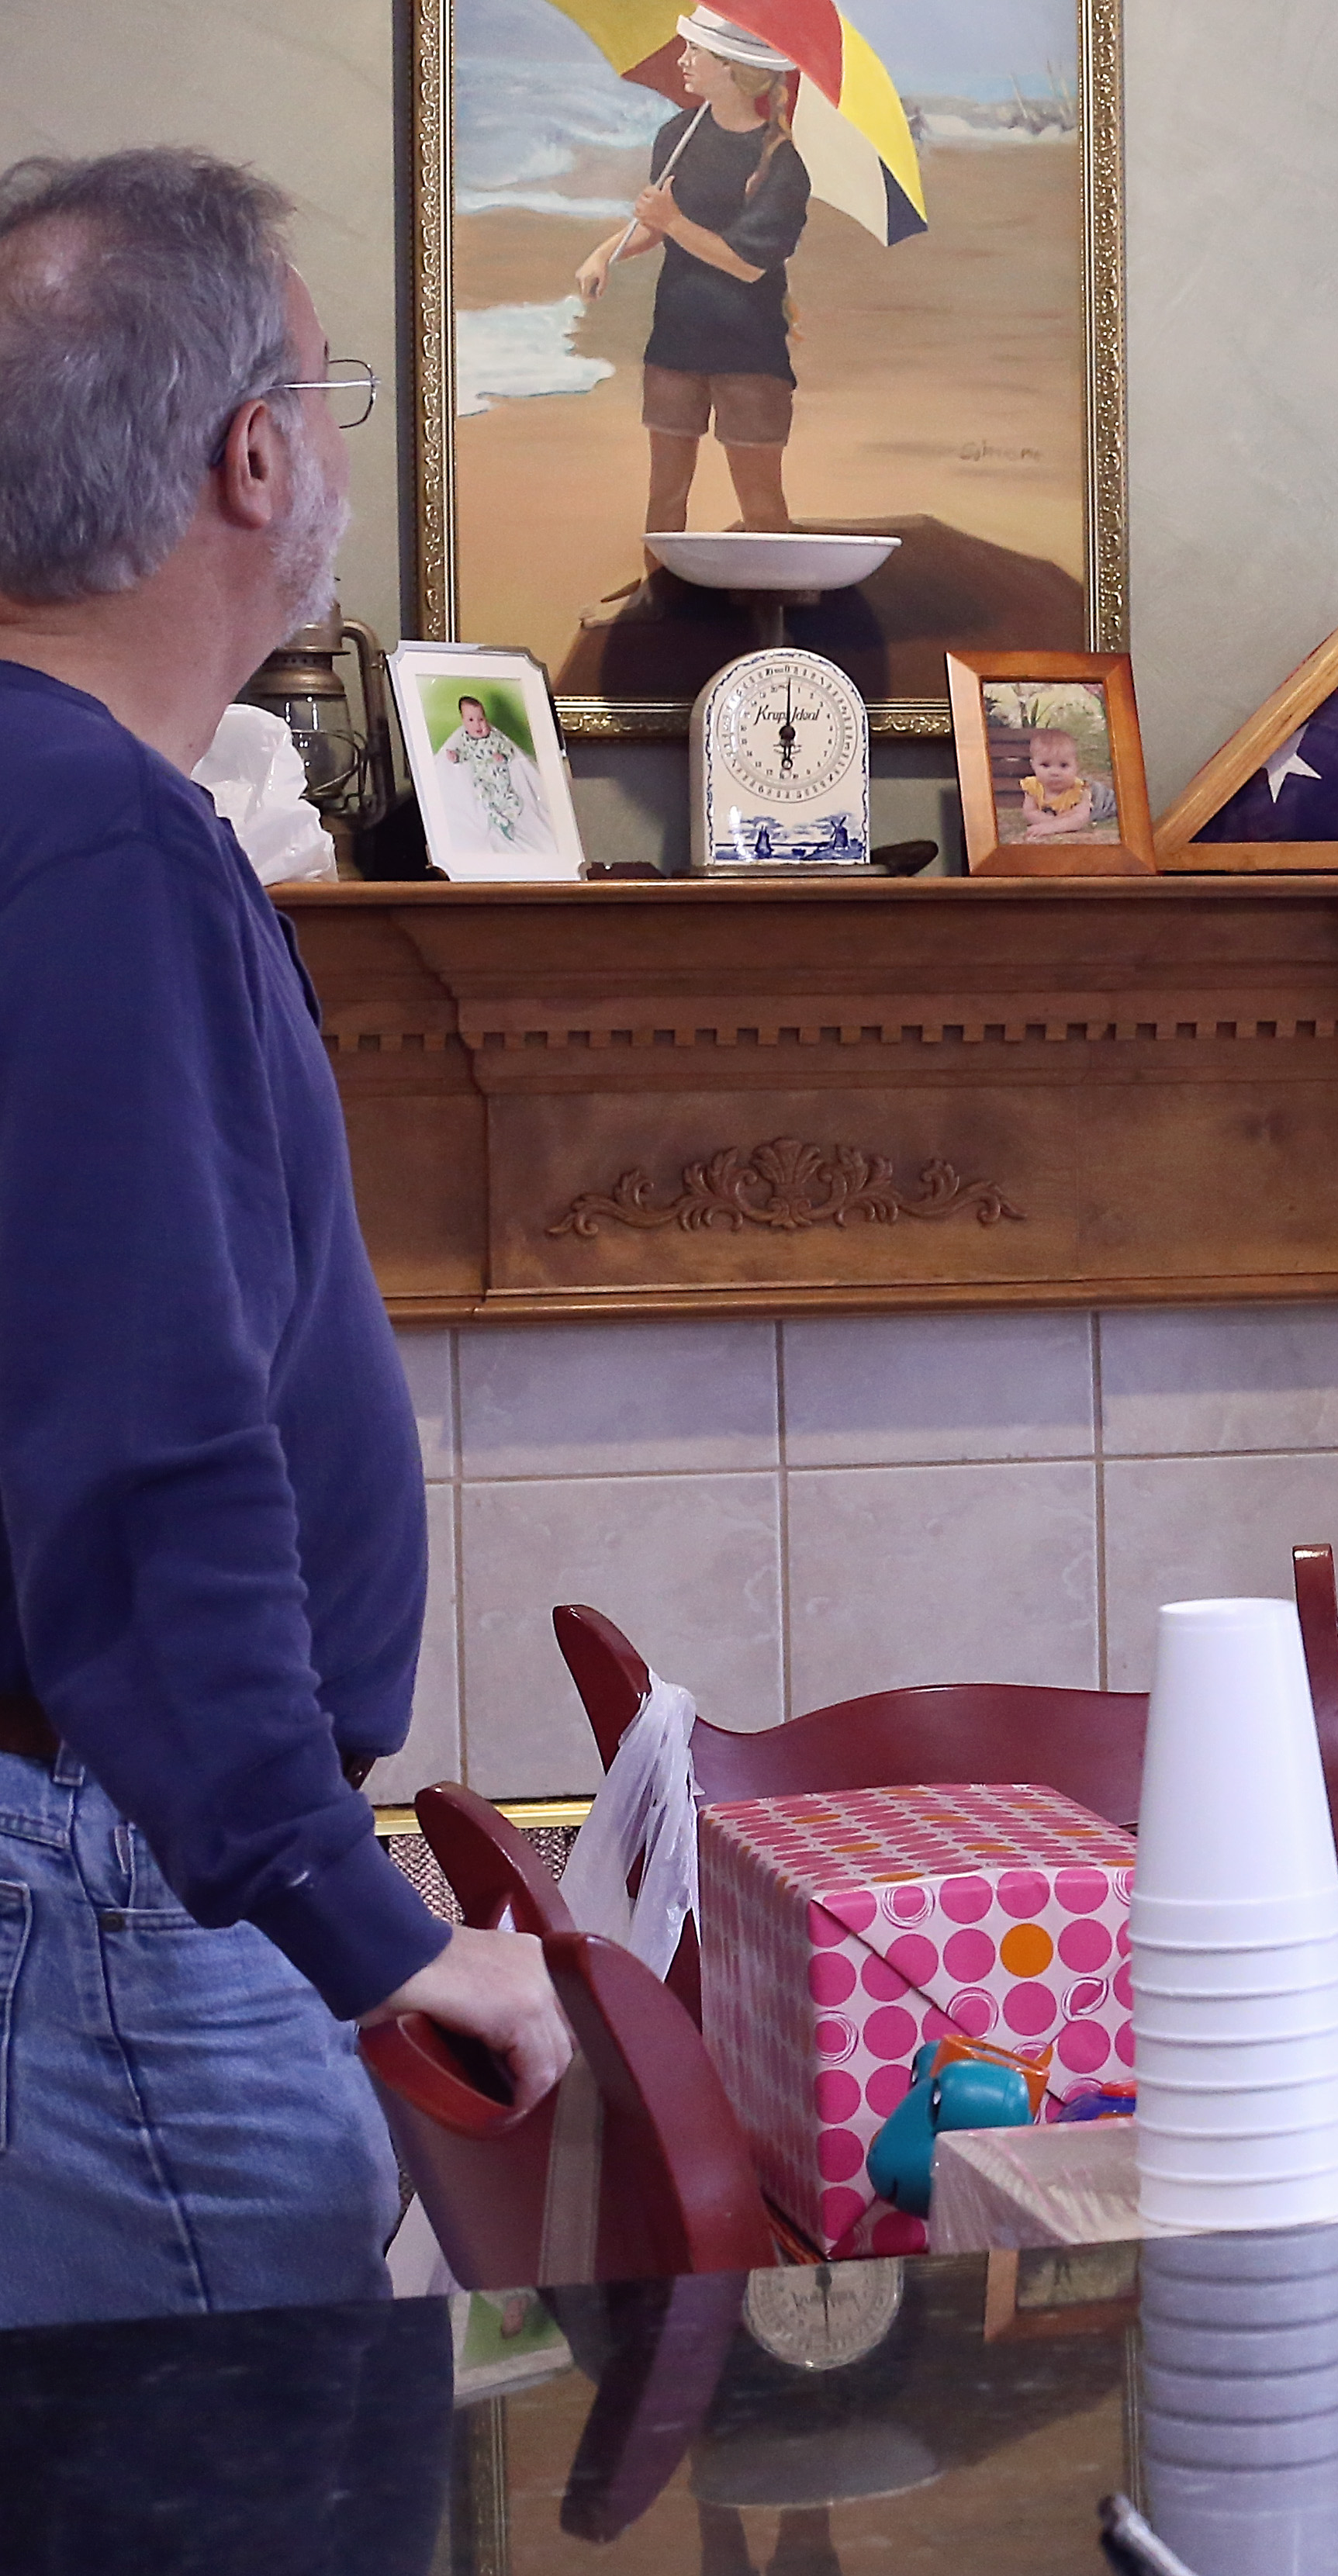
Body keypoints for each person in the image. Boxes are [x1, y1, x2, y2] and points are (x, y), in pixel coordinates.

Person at [0, 147, 571, 2328]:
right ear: (250, 458)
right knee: (266, 2479)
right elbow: (147, 1445)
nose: (328, 449)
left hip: (101, 1866)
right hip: (111, 1899)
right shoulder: (99, 848)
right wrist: (367, 1922)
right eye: (325, 398)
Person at [577, 10, 814, 541]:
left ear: (732, 67)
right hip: (676, 339)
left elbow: (747, 263)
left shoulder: (781, 162)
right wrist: (603, 254)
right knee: (665, 496)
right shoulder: (677, 135)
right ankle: (659, 589)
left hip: (750, 349)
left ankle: (768, 593)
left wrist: (673, 222)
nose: (682, 60)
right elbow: (653, 226)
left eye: (695, 52)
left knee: (761, 504)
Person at [437, 689, 540, 850]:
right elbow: (465, 754)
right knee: (483, 796)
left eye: (481, 719)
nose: (478, 725)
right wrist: (456, 756)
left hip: (500, 778)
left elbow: (507, 749)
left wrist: (502, 756)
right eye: (471, 720)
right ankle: (497, 818)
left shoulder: (494, 737)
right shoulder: (466, 740)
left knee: (513, 801)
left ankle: (507, 820)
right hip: (483, 779)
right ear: (463, 722)